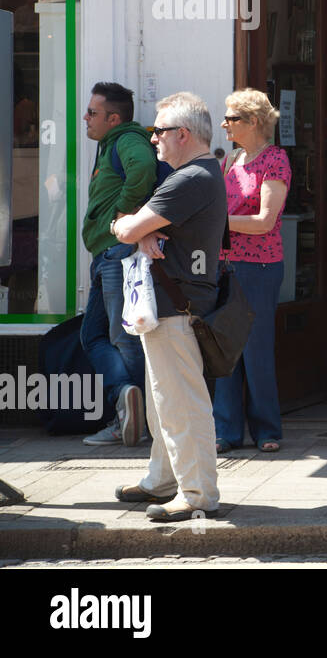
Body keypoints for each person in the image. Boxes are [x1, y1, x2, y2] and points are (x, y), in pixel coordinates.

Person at [110, 92, 227, 522]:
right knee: (164, 400)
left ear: (182, 134)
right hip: (169, 303)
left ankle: (197, 493)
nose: (153, 139)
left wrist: (129, 227)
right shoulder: (195, 174)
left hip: (176, 305)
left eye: (158, 131)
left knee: (181, 402)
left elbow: (126, 225)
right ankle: (162, 479)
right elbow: (145, 226)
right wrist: (141, 230)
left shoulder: (189, 178)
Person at [213, 89, 291, 454]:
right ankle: (226, 430)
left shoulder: (275, 160)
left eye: (232, 118)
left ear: (254, 122)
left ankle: (266, 430)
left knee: (256, 348)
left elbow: (264, 222)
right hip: (226, 265)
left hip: (260, 267)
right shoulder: (231, 161)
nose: (225, 124)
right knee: (224, 347)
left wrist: (217, 223)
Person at [80, 82, 156, 447]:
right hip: (106, 255)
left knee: (121, 339)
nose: (85, 118)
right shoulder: (111, 143)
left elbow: (143, 167)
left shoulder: (128, 139)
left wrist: (124, 211)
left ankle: (131, 419)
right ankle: (127, 396)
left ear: (114, 118)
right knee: (92, 335)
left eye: (92, 113)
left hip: (117, 254)